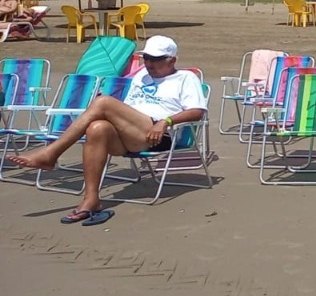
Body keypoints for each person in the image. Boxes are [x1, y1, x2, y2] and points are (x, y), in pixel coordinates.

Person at [5, 36, 206, 226]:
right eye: (146, 57)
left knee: (102, 103)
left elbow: (197, 111)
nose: (149, 63)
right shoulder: (142, 76)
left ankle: (51, 153)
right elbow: (131, 106)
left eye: (155, 59)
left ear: (172, 60)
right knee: (97, 128)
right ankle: (91, 199)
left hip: (158, 135)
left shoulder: (185, 78)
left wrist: (166, 121)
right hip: (131, 133)